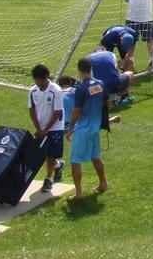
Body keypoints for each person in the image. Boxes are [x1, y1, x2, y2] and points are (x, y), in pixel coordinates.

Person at [67, 57, 108, 199]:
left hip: (83, 129)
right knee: (95, 156)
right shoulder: (101, 84)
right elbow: (106, 103)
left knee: (75, 160)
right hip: (95, 128)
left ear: (79, 70)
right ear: (90, 69)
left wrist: (71, 127)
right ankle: (103, 183)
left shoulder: (81, 88)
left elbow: (76, 111)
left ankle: (78, 193)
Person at [28, 64, 65, 192]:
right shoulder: (33, 91)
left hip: (55, 127)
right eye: (35, 79)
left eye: (38, 79)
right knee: (42, 154)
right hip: (41, 128)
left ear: (45, 78)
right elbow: (32, 110)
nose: (36, 82)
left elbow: (57, 112)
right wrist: (39, 128)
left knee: (50, 155)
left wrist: (46, 130)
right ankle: (58, 165)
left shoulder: (56, 90)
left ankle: (48, 179)